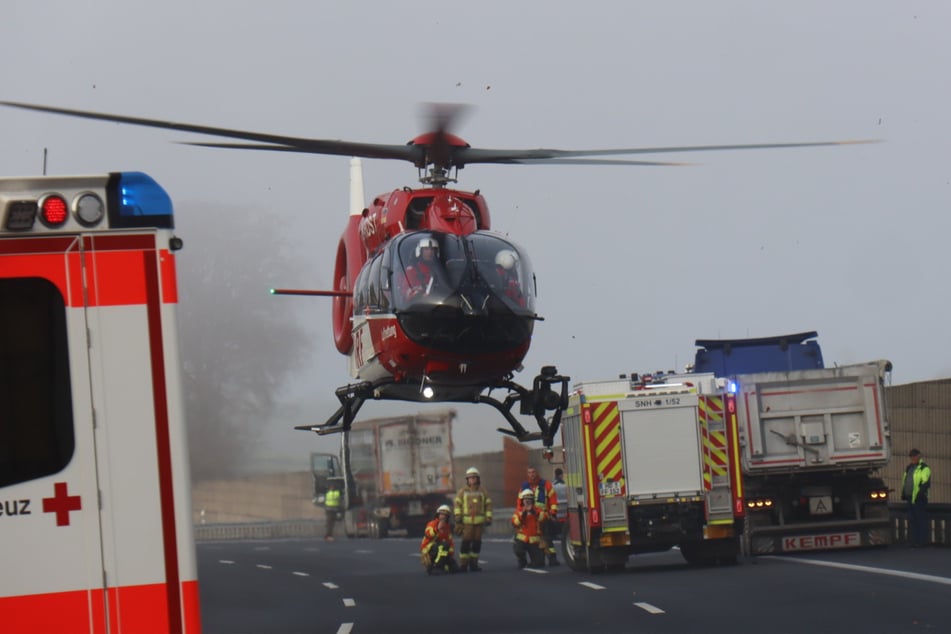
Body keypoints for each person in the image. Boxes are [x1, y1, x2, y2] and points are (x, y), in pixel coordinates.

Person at [453, 466, 493, 572]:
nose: (472, 480)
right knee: (465, 543)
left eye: (474, 478)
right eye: (470, 478)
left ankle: (474, 564)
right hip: (467, 524)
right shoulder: (463, 491)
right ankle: (463, 565)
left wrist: (488, 517)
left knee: (476, 544)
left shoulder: (483, 491)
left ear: (478, 479)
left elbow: (488, 505)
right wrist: (458, 516)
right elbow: (457, 504)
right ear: (467, 480)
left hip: (479, 524)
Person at [520, 466, 559, 566]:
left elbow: (553, 499)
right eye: (529, 472)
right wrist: (520, 513)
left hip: (543, 516)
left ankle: (552, 558)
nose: (531, 474)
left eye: (533, 472)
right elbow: (519, 502)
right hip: (530, 517)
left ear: (537, 473)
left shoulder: (546, 485)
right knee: (533, 539)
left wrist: (553, 512)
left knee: (547, 538)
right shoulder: (524, 487)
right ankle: (537, 558)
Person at [901, 448, 932, 547]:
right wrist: (904, 494)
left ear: (919, 456)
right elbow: (905, 481)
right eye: (911, 456)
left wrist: (918, 495)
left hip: (919, 499)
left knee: (920, 520)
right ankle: (913, 541)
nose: (913, 458)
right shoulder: (909, 468)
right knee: (912, 520)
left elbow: (925, 483)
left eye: (914, 456)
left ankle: (922, 542)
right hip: (910, 498)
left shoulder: (924, 468)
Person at [511, 489, 548, 569]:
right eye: (525, 500)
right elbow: (515, 523)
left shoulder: (538, 510)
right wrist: (522, 515)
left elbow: (543, 518)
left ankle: (534, 561)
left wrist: (534, 512)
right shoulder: (518, 511)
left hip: (535, 541)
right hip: (522, 540)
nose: (527, 501)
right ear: (522, 501)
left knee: (539, 563)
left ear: (533, 500)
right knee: (518, 550)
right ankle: (522, 560)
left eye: (529, 499)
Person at [420, 504, 459, 574]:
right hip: (429, 549)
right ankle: (436, 566)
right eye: (441, 514)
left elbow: (450, 541)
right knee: (444, 546)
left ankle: (443, 565)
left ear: (447, 517)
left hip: (440, 548)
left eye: (445, 515)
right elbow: (428, 534)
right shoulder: (432, 524)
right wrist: (437, 529)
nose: (443, 516)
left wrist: (449, 555)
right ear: (437, 515)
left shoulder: (447, 527)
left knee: (455, 568)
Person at [550, 468, 568, 542]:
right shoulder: (566, 485)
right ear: (561, 475)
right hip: (565, 512)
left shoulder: (552, 486)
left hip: (556, 513)